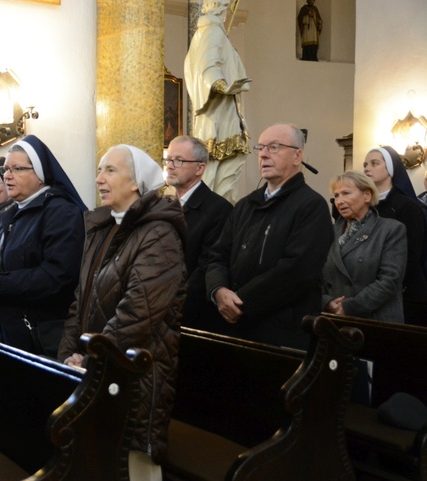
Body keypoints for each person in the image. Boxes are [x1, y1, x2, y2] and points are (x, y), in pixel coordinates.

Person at [58, 144, 187, 481]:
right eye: (99, 170)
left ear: (136, 183)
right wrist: (69, 354)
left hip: (136, 374)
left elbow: (138, 313)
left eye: (110, 170)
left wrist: (90, 356)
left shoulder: (159, 234)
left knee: (134, 475)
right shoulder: (102, 229)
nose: (99, 178)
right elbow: (79, 302)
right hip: (97, 367)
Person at [205, 123, 333, 349]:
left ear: (297, 156)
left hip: (281, 332)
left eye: (274, 147)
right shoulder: (246, 205)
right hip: (235, 327)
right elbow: (217, 255)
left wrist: (239, 303)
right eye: (260, 147)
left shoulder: (311, 206)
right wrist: (219, 291)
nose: (263, 154)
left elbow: (297, 271)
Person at [0, 135, 87, 358]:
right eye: (6, 170)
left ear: (40, 174)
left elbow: (57, 276)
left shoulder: (61, 212)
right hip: (1, 335)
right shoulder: (7, 213)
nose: (8, 176)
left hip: (39, 339)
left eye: (17, 169)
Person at [184, 0, 251, 204]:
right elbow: (208, 64)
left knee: (222, 169)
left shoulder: (207, 32)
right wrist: (221, 85)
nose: (226, 13)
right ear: (220, 9)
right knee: (223, 170)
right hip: (220, 112)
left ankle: (219, 206)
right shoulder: (213, 31)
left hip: (219, 111)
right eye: (225, 8)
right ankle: (218, 210)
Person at [165, 136, 233, 331]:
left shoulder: (218, 209)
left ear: (200, 168)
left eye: (179, 160)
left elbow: (207, 268)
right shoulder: (164, 204)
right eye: (168, 160)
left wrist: (172, 309)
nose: (170, 166)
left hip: (189, 318)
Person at [322, 171, 406, 322]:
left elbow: (389, 280)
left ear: (367, 195)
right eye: (336, 196)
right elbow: (315, 274)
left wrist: (349, 307)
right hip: (334, 321)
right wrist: (326, 302)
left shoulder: (390, 230)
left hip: (375, 323)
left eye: (346, 193)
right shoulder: (329, 232)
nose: (339, 201)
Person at [363, 145, 427, 324]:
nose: (367, 168)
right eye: (365, 164)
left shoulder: (408, 206)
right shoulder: (365, 207)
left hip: (405, 295)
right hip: (368, 293)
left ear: (390, 168)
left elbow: (412, 255)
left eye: (374, 163)